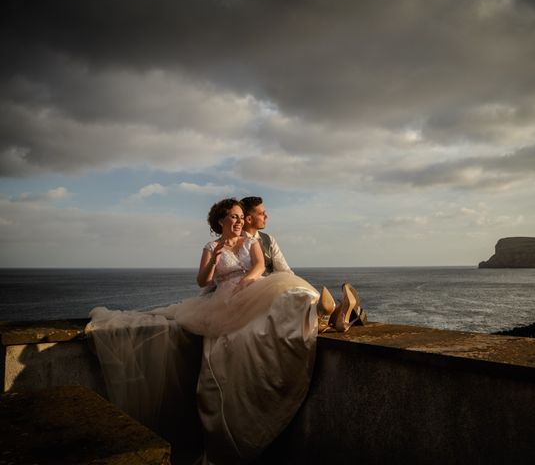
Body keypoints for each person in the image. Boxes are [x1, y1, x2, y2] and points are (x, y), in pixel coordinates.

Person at [86, 197, 366, 465]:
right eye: (234, 217)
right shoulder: (210, 247)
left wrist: (247, 282)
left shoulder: (250, 241)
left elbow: (258, 265)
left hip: (250, 287)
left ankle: (319, 309)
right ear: (220, 220)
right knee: (248, 334)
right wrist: (215, 257)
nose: (239, 222)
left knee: (286, 294)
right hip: (223, 300)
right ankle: (329, 317)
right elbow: (202, 281)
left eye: (241, 218)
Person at [239, 196, 292, 274]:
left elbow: (284, 270)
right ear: (249, 219)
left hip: (269, 285)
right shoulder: (234, 241)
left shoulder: (269, 240)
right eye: (262, 214)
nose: (266, 217)